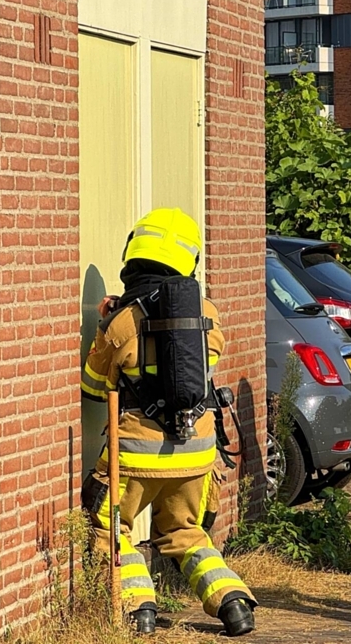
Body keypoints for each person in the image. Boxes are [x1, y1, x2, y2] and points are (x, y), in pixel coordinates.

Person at [79, 208, 256, 636]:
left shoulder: (122, 321)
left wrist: (104, 324)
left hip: (138, 454)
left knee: (108, 525)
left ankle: (138, 608)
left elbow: (94, 386)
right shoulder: (208, 314)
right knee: (184, 530)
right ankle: (232, 602)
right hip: (197, 450)